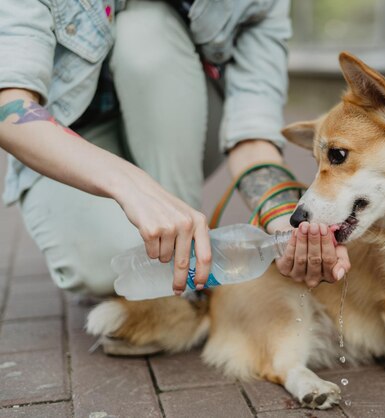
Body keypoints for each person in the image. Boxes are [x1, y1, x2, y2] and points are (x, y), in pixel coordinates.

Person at [0, 0, 350, 297]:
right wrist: (129, 183)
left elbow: (252, 137)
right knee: (102, 266)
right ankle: (177, 261)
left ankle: (188, 267)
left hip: (185, 120)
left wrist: (285, 224)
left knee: (146, 32)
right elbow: (9, 108)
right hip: (68, 135)